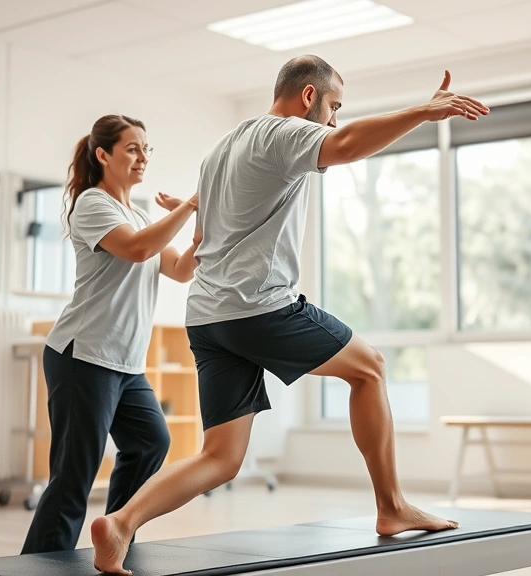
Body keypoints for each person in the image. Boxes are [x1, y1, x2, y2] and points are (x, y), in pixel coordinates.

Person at [89, 56, 489, 575]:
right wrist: (423, 112)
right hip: (259, 307)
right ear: (308, 97)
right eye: (334, 106)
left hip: (208, 318)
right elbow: (343, 147)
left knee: (221, 458)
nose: (333, 120)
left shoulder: (222, 148)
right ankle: (391, 506)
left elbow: (207, 237)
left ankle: (122, 521)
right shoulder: (284, 132)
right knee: (369, 368)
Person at [20, 114, 201, 554]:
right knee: (74, 477)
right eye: (133, 148)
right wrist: (190, 205)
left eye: (146, 149)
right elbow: (138, 250)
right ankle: (36, 567)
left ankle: (115, 534)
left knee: (151, 442)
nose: (142, 157)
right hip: (83, 355)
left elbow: (179, 270)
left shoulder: (138, 214)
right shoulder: (92, 204)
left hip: (124, 362)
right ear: (103, 155)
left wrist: (204, 226)